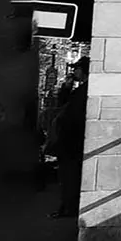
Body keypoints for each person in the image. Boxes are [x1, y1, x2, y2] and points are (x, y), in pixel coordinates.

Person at [45, 59, 90, 219]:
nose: (73, 72)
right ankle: (67, 207)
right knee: (68, 177)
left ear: (83, 70)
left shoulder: (84, 91)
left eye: (76, 69)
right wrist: (66, 87)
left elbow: (71, 114)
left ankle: (68, 209)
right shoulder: (80, 90)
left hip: (72, 143)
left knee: (69, 177)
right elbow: (63, 103)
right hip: (71, 142)